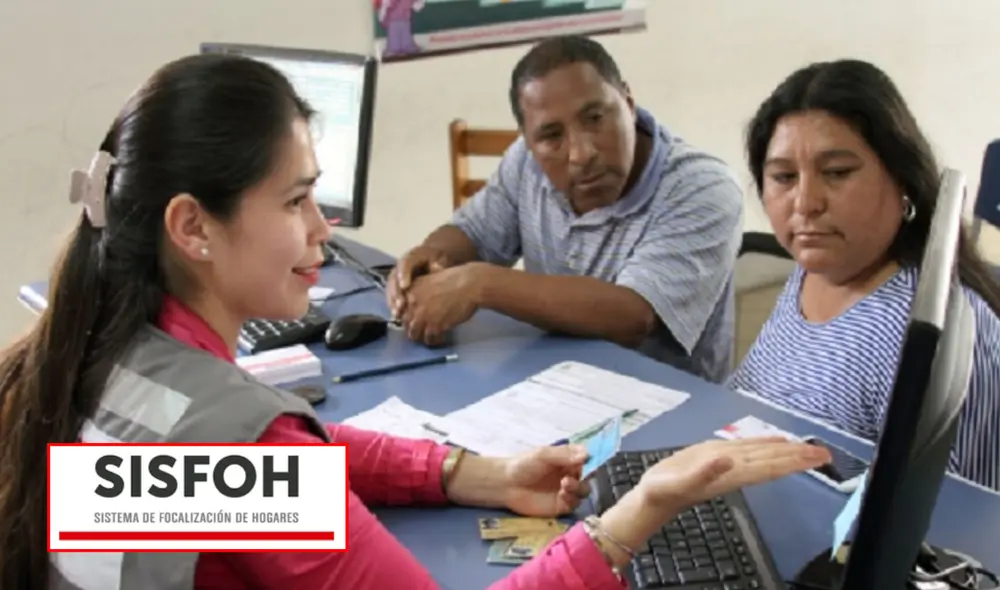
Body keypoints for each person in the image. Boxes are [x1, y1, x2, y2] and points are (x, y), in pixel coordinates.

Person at [0, 54, 831, 589]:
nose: (325, 232)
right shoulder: (244, 444)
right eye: (296, 202)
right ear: (192, 228)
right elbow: (263, 474)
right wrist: (638, 511)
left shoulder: (98, 359)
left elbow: (242, 485)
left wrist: (468, 473)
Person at [385, 35, 744, 384]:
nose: (580, 153)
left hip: (671, 411)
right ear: (528, 140)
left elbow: (633, 315)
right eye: (552, 136)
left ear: (629, 103)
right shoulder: (526, 161)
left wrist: (479, 283)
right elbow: (474, 234)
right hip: (549, 385)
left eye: (595, 118)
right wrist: (430, 257)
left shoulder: (702, 186)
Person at [728, 59, 1000, 491]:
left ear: (903, 179)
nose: (806, 203)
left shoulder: (934, 334)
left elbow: (958, 532)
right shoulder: (815, 268)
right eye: (783, 177)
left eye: (836, 173)